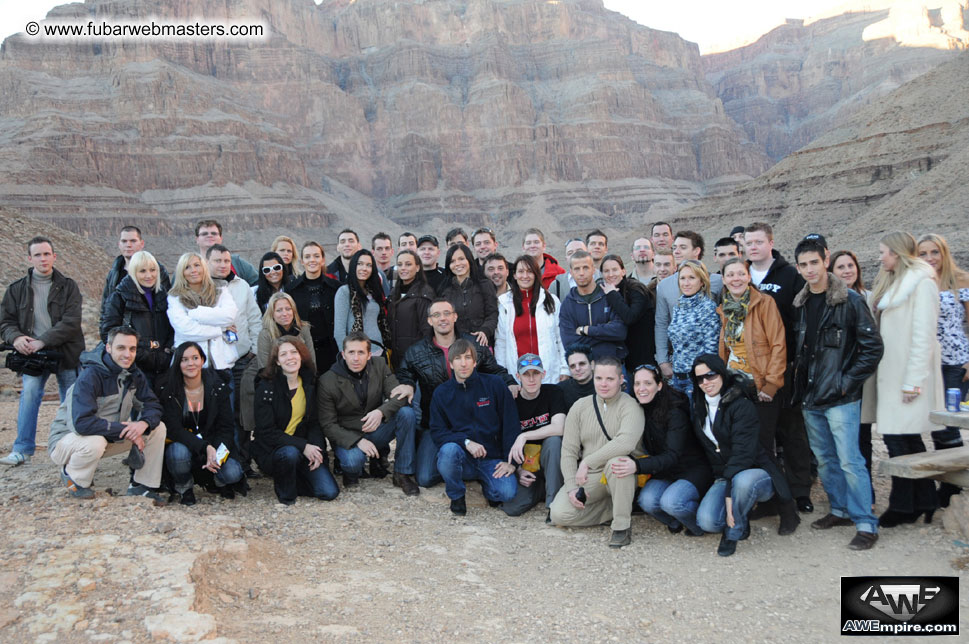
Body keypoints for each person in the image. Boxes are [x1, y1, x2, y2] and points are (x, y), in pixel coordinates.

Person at [791, 238, 882, 550]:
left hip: (841, 397)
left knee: (849, 460)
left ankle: (865, 523)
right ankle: (840, 510)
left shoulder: (849, 301)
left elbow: (872, 348)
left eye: (814, 263)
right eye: (803, 265)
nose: (809, 270)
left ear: (825, 261)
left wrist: (847, 382)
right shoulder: (800, 304)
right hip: (810, 396)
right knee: (826, 460)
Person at [394, 299, 518, 487]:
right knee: (425, 478)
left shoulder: (473, 344)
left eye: (447, 313)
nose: (442, 318)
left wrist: (510, 382)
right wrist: (408, 384)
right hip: (437, 424)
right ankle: (457, 463)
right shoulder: (417, 351)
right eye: (436, 315)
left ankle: (471, 467)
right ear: (429, 320)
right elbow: (404, 373)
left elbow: (494, 370)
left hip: (471, 421)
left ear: (455, 316)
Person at [717, 258, 810, 507]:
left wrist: (771, 384)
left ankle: (783, 502)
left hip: (761, 384)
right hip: (736, 386)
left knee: (764, 446)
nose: (736, 279)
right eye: (730, 275)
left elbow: (778, 344)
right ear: (723, 279)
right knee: (748, 444)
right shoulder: (725, 308)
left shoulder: (764, 303)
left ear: (749, 277)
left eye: (740, 273)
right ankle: (764, 498)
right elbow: (726, 350)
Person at [869, 232, 943, 526]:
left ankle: (904, 505)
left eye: (883, 252)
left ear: (897, 253)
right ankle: (923, 500)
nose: (880, 257)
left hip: (907, 378)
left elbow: (924, 337)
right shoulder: (900, 283)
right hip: (893, 375)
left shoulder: (922, 284)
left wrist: (913, 381)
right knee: (903, 439)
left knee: (902, 441)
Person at [692, 354, 800, 557]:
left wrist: (728, 497)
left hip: (754, 471)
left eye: (711, 375)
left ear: (722, 373)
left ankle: (733, 531)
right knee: (707, 521)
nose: (706, 382)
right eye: (700, 379)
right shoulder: (698, 406)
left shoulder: (740, 404)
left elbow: (743, 454)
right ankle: (742, 515)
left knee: (742, 483)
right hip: (725, 473)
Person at [47, 326, 167, 501]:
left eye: (132, 349)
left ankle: (141, 485)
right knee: (95, 442)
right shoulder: (90, 376)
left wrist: (143, 424)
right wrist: (126, 430)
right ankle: (73, 477)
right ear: (109, 348)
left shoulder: (133, 374)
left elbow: (152, 405)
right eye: (121, 348)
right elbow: (82, 424)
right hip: (67, 440)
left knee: (157, 428)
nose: (127, 354)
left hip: (107, 436)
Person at [0, 237, 84, 467]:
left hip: (65, 352)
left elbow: (71, 322)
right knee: (29, 394)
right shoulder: (16, 289)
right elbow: (5, 322)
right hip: (32, 356)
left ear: (54, 256)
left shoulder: (69, 286)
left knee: (71, 400)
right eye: (37, 255)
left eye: (47, 254)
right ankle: (21, 449)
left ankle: (72, 448)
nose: (43, 259)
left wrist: (43, 341)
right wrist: (16, 338)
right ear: (29, 258)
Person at [549, 357, 645, 548]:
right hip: (592, 476)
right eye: (599, 378)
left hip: (621, 473)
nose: (603, 384)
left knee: (617, 462)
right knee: (559, 514)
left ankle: (621, 526)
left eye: (610, 379)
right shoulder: (580, 407)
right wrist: (571, 486)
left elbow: (625, 443)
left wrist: (587, 462)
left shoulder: (631, 406)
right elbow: (568, 451)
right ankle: (614, 508)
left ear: (621, 379)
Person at [617, 364, 712, 536]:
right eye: (637, 384)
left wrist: (637, 466)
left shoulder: (675, 411)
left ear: (659, 385)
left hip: (691, 468)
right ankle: (675, 521)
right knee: (646, 501)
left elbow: (672, 455)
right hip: (665, 470)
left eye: (648, 383)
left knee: (672, 502)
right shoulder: (637, 409)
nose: (641, 389)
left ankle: (698, 525)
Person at [318, 332, 418, 493]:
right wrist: (357, 441)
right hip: (348, 435)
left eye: (361, 352)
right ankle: (350, 473)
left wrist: (381, 412)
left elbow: (399, 396)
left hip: (375, 429)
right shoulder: (327, 380)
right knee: (353, 462)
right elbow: (327, 424)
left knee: (407, 414)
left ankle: (402, 473)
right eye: (351, 352)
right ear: (343, 354)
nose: (356, 358)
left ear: (369, 355)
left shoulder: (379, 365)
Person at [429, 339, 519, 514]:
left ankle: (489, 487)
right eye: (458, 358)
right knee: (448, 451)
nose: (463, 363)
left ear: (475, 362)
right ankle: (457, 495)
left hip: (492, 458)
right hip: (462, 459)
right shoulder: (441, 393)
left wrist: (511, 462)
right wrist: (466, 442)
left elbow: (511, 424)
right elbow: (438, 432)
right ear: (451, 363)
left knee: (507, 493)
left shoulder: (494, 384)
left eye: (468, 357)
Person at [155, 342, 245, 505]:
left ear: (203, 360)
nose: (191, 363)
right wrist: (205, 447)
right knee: (178, 453)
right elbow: (174, 430)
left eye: (195, 358)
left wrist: (216, 454)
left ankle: (217, 481)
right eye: (184, 359)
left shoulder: (218, 386)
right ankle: (184, 487)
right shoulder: (168, 389)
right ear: (178, 363)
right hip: (185, 444)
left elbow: (226, 428)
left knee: (233, 473)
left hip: (214, 443)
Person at [252, 337, 338, 504]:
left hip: (302, 447)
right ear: (277, 361)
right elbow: (267, 432)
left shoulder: (309, 382)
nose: (290, 357)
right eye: (283, 354)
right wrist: (303, 446)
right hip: (274, 450)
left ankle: (295, 476)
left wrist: (317, 453)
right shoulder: (266, 388)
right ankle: (286, 493)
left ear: (301, 356)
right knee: (289, 453)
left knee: (329, 492)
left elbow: (314, 423)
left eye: (294, 352)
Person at [917, 233, 969, 507]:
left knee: (948, 425)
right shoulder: (918, 282)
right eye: (923, 253)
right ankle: (948, 483)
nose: (929, 258)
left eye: (934, 252)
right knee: (936, 425)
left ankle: (952, 488)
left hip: (955, 363)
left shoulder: (961, 280)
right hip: (927, 363)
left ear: (944, 252)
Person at [238, 291, 316, 469]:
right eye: (279, 310)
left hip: (300, 376)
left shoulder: (304, 329)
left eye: (288, 309)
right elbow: (265, 368)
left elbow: (311, 360)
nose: (284, 313)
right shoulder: (266, 333)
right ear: (272, 314)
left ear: (294, 310)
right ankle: (252, 455)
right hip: (273, 380)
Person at [207, 244, 263, 469]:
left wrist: (254, 351)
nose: (222, 265)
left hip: (241, 360)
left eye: (226, 261)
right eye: (217, 261)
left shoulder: (242, 286)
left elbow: (254, 319)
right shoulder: (203, 286)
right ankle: (222, 463)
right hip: (214, 363)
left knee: (242, 413)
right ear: (208, 262)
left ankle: (243, 463)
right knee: (221, 414)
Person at [831, 249, 877, 494]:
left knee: (862, 436)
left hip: (863, 377)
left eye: (850, 266)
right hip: (837, 376)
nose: (847, 271)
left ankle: (866, 493)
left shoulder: (869, 299)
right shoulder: (829, 300)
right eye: (841, 267)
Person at [502, 354, 566, 519]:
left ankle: (553, 505)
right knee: (512, 508)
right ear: (518, 377)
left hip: (551, 459)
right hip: (528, 464)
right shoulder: (512, 400)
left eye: (536, 373)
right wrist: (518, 470)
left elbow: (559, 427)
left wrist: (524, 436)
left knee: (554, 441)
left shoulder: (553, 392)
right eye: (526, 374)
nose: (531, 379)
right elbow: (504, 438)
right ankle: (542, 488)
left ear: (543, 374)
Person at [654, 231, 723, 379]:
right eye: (674, 247)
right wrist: (663, 360)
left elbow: (713, 338)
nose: (676, 251)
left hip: (703, 373)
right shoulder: (665, 287)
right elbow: (661, 324)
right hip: (679, 369)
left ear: (696, 251)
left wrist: (707, 374)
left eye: (683, 247)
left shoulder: (718, 282)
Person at [99, 250, 174, 386]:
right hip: (134, 368)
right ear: (133, 272)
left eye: (152, 270)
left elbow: (173, 327)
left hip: (163, 367)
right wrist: (138, 353)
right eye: (142, 271)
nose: (149, 275)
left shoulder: (164, 296)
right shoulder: (119, 297)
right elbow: (108, 332)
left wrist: (167, 352)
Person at [495, 255, 568, 384]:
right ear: (514, 275)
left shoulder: (551, 301)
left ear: (536, 274)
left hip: (549, 373)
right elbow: (501, 342)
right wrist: (504, 376)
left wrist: (565, 369)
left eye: (529, 271)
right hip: (517, 376)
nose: (525, 276)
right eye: (521, 271)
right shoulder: (505, 304)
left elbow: (561, 337)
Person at [166, 252, 239, 371]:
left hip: (222, 364)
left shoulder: (220, 288)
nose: (193, 270)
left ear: (204, 267)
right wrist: (221, 329)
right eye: (187, 267)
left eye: (197, 265)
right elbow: (185, 329)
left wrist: (195, 314)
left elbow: (229, 316)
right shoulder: (175, 296)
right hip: (190, 366)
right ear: (181, 272)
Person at [666, 260, 720, 401]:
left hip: (697, 380)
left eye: (691, 278)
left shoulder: (708, 307)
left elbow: (711, 349)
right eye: (682, 278)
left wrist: (705, 379)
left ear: (702, 281)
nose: (686, 283)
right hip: (677, 378)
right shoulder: (678, 307)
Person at [559, 250, 626, 361]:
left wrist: (586, 330)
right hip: (583, 366)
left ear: (593, 270)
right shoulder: (568, 304)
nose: (581, 273)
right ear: (571, 272)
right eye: (577, 269)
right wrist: (606, 338)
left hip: (612, 362)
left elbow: (620, 331)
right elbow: (569, 342)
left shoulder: (609, 296)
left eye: (585, 268)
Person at [288, 241, 340, 373]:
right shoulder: (292, 290)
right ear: (302, 261)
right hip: (303, 350)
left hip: (332, 351)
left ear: (323, 260)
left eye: (316, 256)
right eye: (307, 256)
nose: (312, 260)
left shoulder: (336, 287)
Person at [100, 225, 170, 319]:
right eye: (124, 241)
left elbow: (166, 304)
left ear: (142, 244)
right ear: (119, 244)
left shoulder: (158, 272)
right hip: (120, 327)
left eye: (133, 241)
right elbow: (105, 306)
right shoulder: (114, 273)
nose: (128, 245)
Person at [600, 254, 654, 375]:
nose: (611, 274)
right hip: (622, 356)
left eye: (614, 269)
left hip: (643, 354)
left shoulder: (636, 289)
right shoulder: (603, 292)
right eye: (606, 271)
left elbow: (630, 317)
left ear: (623, 271)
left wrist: (612, 294)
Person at [333, 249, 392, 359]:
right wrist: (347, 356)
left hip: (379, 351)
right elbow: (339, 331)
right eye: (360, 264)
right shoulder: (344, 292)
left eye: (369, 265)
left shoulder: (374, 291)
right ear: (353, 266)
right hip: (357, 356)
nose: (364, 268)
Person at [438, 243, 499, 346]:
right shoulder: (444, 291)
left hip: (481, 343)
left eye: (461, 259)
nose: (457, 264)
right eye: (452, 261)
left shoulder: (485, 285)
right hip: (454, 346)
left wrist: (485, 330)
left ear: (469, 260)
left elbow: (492, 313)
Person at [387, 250, 436, 369]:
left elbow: (427, 331)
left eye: (408, 264)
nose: (403, 268)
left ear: (417, 267)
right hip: (397, 358)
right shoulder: (394, 293)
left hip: (417, 360)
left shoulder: (424, 294)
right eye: (400, 264)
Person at [194, 220, 257, 286]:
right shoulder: (191, 265)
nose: (209, 236)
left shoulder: (236, 262)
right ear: (197, 239)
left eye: (214, 233)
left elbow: (258, 281)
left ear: (221, 238)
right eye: (204, 234)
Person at [522, 228, 565, 293]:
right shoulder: (516, 274)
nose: (532, 246)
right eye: (528, 243)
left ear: (544, 246)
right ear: (523, 247)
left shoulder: (559, 273)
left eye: (536, 242)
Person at [558, 343, 595, 410]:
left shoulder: (604, 386)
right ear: (569, 369)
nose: (577, 369)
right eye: (573, 366)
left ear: (592, 364)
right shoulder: (560, 389)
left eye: (582, 364)